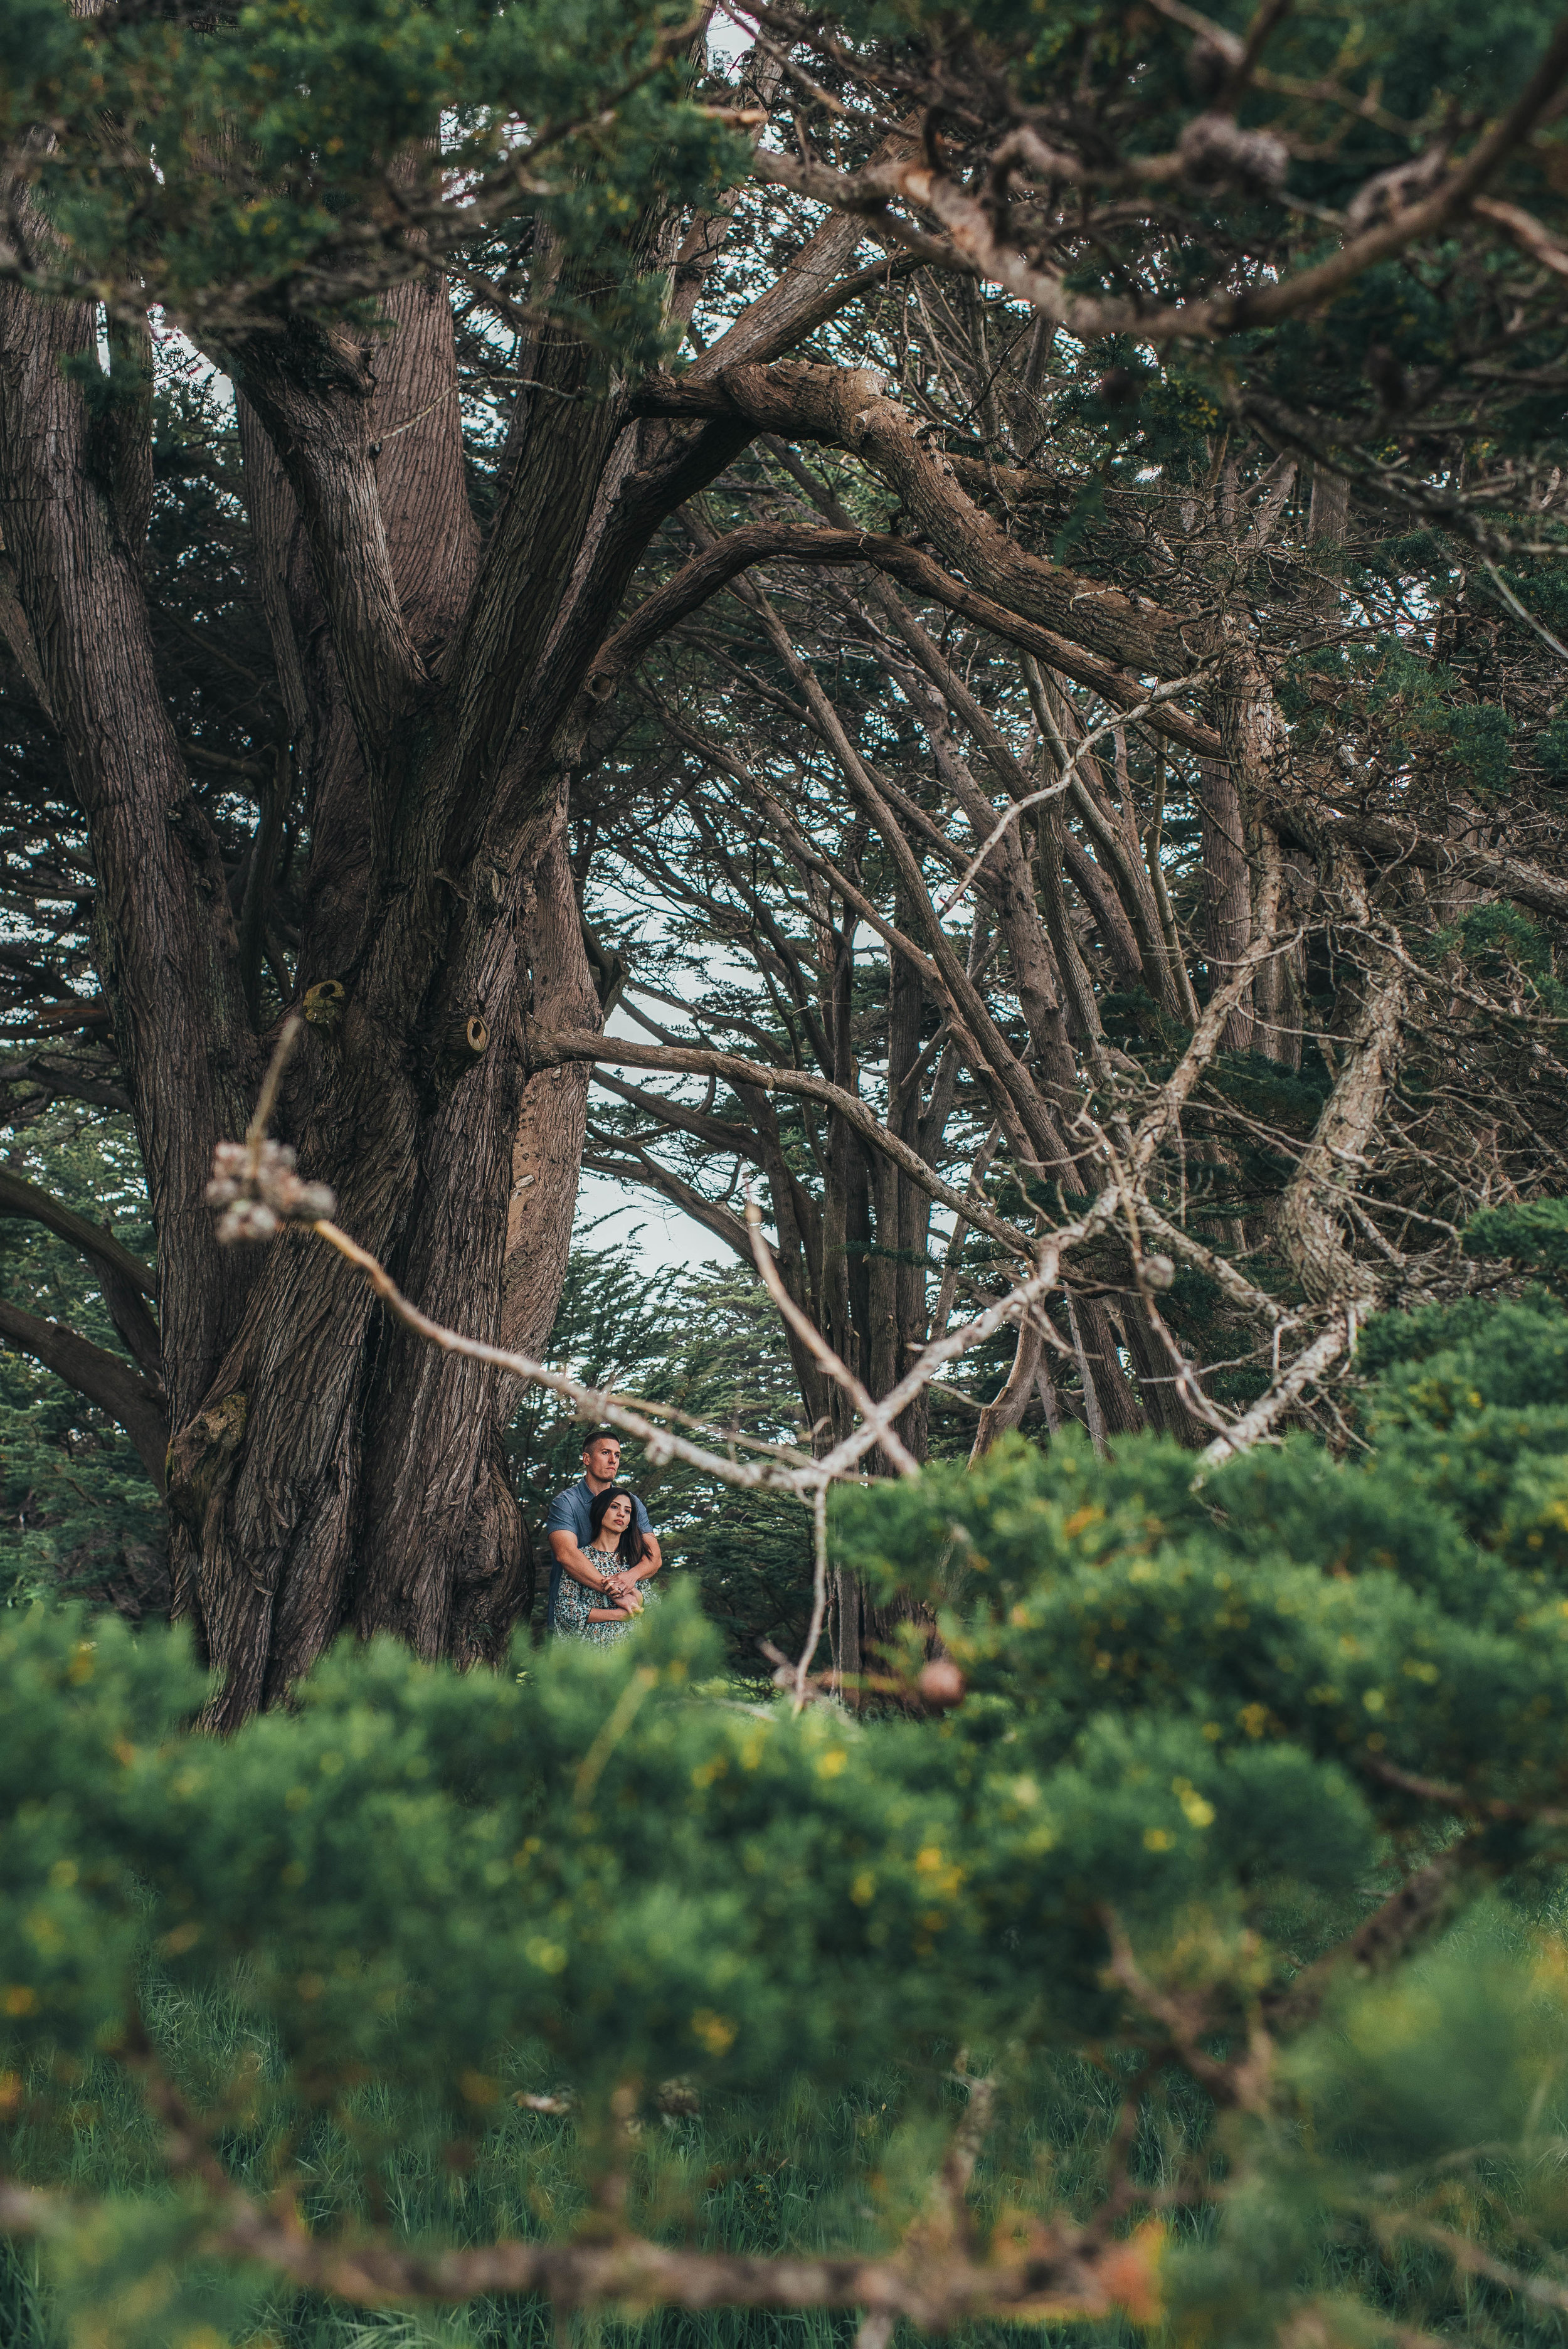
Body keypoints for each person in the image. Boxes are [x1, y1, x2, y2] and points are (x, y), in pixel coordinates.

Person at [545, 1428, 661, 1635]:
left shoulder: (633, 1503)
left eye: (617, 1455)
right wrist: (614, 1591)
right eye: (606, 1453)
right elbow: (566, 1555)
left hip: (625, 1633)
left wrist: (630, 1578)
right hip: (578, 1624)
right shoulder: (566, 1503)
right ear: (587, 1459)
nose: (613, 1460)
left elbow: (654, 1558)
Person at [551, 1487, 660, 1646]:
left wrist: (632, 1591)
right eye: (614, 1507)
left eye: (627, 1511)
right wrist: (617, 1615)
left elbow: (654, 1605)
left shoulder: (633, 1562)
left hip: (630, 1652)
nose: (621, 1513)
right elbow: (565, 1611)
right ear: (600, 1511)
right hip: (591, 1653)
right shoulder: (581, 1559)